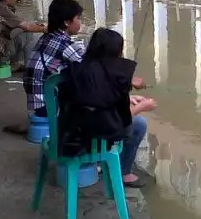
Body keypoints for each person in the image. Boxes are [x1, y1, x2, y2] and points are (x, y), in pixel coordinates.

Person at [60, 28, 154, 188]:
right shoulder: (111, 77)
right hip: (84, 140)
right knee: (139, 124)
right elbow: (115, 121)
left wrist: (128, 97)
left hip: (67, 133)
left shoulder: (78, 68)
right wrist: (142, 106)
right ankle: (124, 173)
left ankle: (98, 162)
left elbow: (95, 98)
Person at [24, 0, 85, 118]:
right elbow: (94, 68)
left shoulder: (48, 36)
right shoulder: (65, 45)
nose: (80, 22)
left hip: (37, 102)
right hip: (47, 106)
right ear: (67, 22)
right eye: (78, 18)